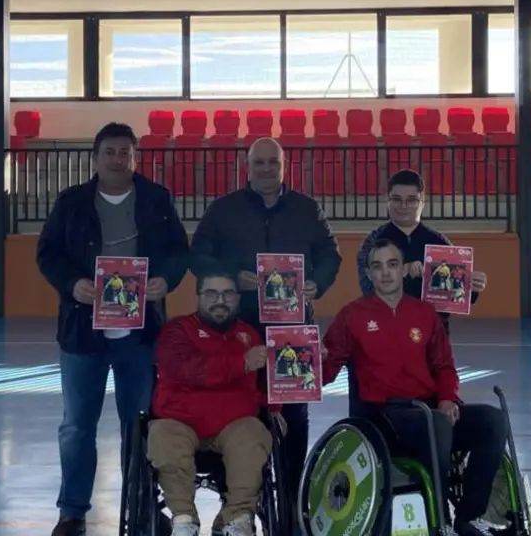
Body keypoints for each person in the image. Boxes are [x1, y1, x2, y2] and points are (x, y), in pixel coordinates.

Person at [37, 122, 191, 536]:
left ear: (135, 158)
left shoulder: (157, 200)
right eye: (110, 152)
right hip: (82, 335)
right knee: (76, 427)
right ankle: (72, 512)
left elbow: (178, 250)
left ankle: (142, 506)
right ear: (95, 158)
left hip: (140, 337)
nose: (117, 159)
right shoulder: (71, 202)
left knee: (140, 425)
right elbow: (47, 253)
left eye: (125, 152)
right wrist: (72, 285)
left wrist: (165, 280)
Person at [190, 136, 341, 533]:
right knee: (238, 412)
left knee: (294, 416)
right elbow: (199, 255)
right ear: (247, 165)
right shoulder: (223, 210)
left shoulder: (308, 209)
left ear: (284, 165)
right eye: (259, 162)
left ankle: (290, 502)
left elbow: (330, 253)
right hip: (239, 330)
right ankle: (235, 506)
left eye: (273, 163)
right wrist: (230, 276)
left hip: (293, 331)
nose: (266, 169)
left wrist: (317, 283)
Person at [322, 238, 509, 536]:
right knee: (435, 423)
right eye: (377, 266)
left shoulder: (424, 313)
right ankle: (439, 522)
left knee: (492, 420)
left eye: (392, 265)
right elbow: (325, 373)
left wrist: (448, 398)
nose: (385, 273)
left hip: (430, 409)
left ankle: (468, 516)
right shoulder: (351, 316)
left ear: (402, 270)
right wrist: (317, 360)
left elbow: (444, 367)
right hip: (383, 418)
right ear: (369, 274)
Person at [148, 266, 286, 536]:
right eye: (211, 294)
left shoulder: (250, 335)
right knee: (163, 436)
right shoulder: (176, 330)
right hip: (180, 420)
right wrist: (240, 362)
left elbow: (269, 377)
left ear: (237, 298)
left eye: (227, 294)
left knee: (255, 434)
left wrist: (275, 409)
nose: (220, 300)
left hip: (233, 423)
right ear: (198, 297)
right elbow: (188, 370)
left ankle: (236, 520)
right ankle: (184, 519)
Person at [356, 169, 489, 334]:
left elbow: (457, 298)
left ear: (422, 202)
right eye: (396, 199)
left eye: (411, 200)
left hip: (432, 336)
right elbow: (368, 288)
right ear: (387, 201)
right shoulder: (373, 242)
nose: (403, 206)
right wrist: (401, 272)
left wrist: (472, 286)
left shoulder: (440, 243)